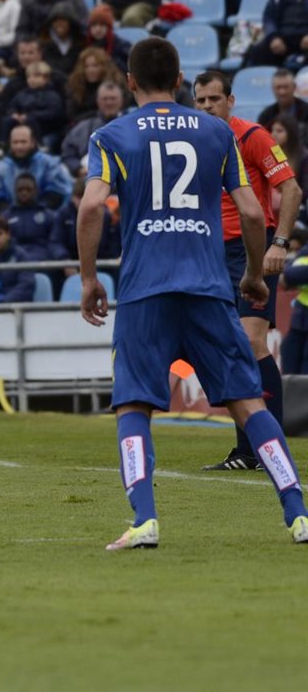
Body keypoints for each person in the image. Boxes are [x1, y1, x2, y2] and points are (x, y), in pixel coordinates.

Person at [77, 36, 308, 549]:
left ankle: (145, 520)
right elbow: (252, 212)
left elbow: (91, 207)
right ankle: (298, 513)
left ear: (130, 82)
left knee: (133, 406)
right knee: (248, 402)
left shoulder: (111, 136)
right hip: (208, 286)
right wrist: (254, 274)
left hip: (145, 289)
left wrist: (90, 278)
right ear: (180, 80)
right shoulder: (216, 131)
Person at [189, 70, 303, 470]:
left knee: (251, 342)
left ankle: (268, 447)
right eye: (200, 100)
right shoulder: (194, 142)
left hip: (251, 248)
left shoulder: (252, 136)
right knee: (228, 347)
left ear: (231, 101)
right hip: (208, 251)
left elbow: (291, 188)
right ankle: (248, 451)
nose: (207, 107)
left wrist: (279, 243)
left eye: (214, 99)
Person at [63, 81, 127, 176]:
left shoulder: (132, 124)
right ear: (98, 101)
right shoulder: (84, 127)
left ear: (121, 100)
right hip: (89, 176)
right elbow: (68, 154)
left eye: (113, 98)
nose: (109, 102)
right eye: (105, 99)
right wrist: (78, 169)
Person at [258, 69, 308, 133]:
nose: (282, 92)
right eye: (278, 87)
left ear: (294, 87)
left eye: (286, 87)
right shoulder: (266, 116)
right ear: (273, 89)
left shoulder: (306, 112)